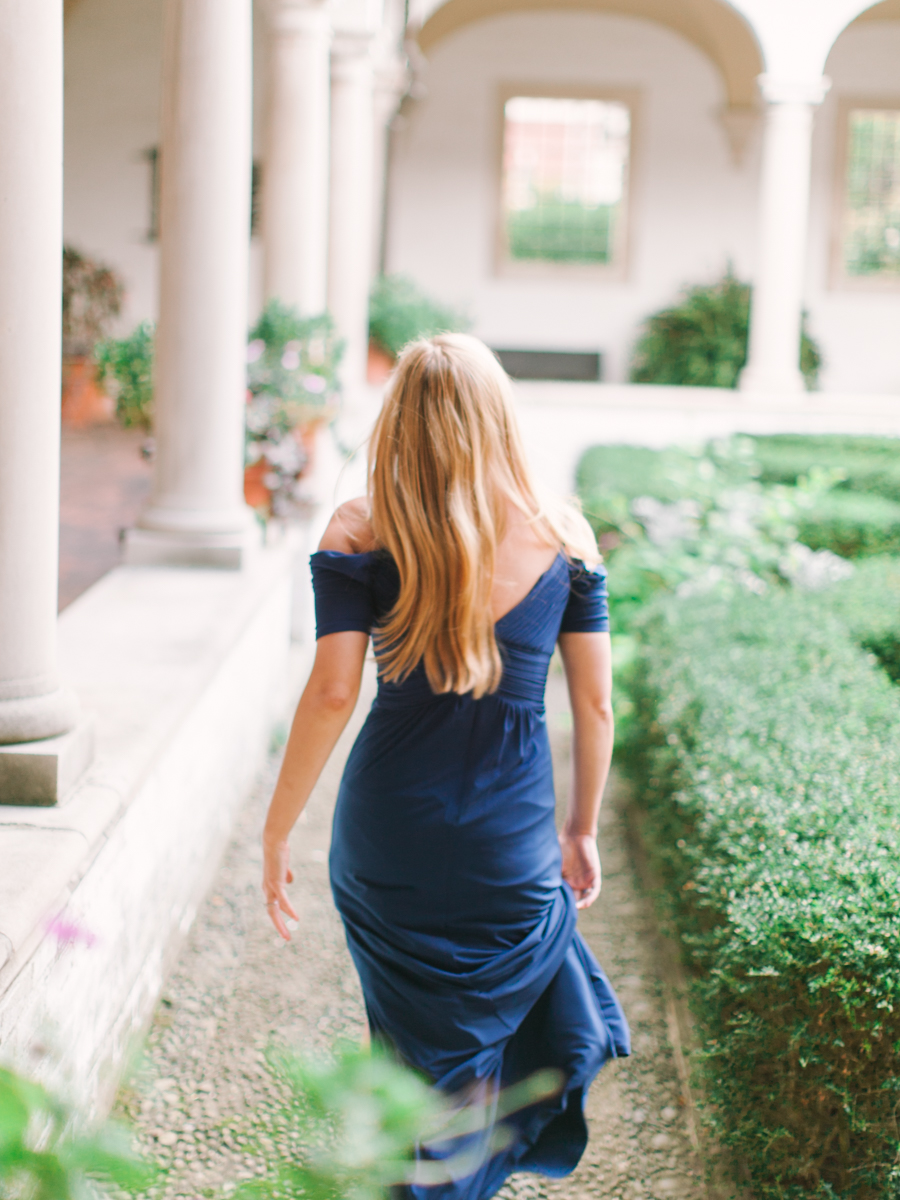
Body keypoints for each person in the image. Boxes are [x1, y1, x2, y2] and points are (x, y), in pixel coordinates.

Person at [261, 333, 630, 1200]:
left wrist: (278, 827)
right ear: (496, 416)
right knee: (475, 1065)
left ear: (399, 423)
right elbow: (597, 707)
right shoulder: (564, 534)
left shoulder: (358, 527)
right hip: (506, 847)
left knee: (395, 1045)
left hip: (386, 838)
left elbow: (329, 694)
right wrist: (580, 829)